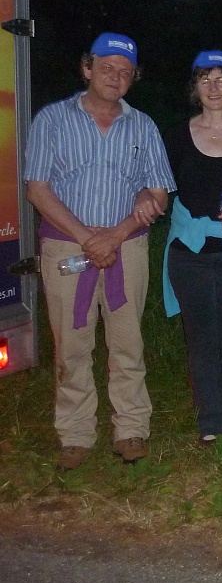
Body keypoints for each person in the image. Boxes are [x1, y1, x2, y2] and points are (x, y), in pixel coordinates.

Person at [25, 32, 175, 470]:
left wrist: (116, 233)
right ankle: (75, 433)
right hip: (66, 247)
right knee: (71, 344)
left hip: (126, 248)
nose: (115, 77)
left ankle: (130, 429)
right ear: (87, 68)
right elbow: (37, 190)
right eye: (107, 68)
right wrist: (88, 237)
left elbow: (159, 193)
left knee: (127, 343)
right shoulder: (52, 120)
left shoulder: (143, 126)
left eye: (125, 72)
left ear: (133, 79)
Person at [162, 51, 222, 445]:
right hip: (191, 252)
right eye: (205, 79)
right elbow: (156, 187)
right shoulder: (175, 136)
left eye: (221, 78)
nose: (214, 87)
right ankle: (210, 420)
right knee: (201, 339)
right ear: (195, 88)